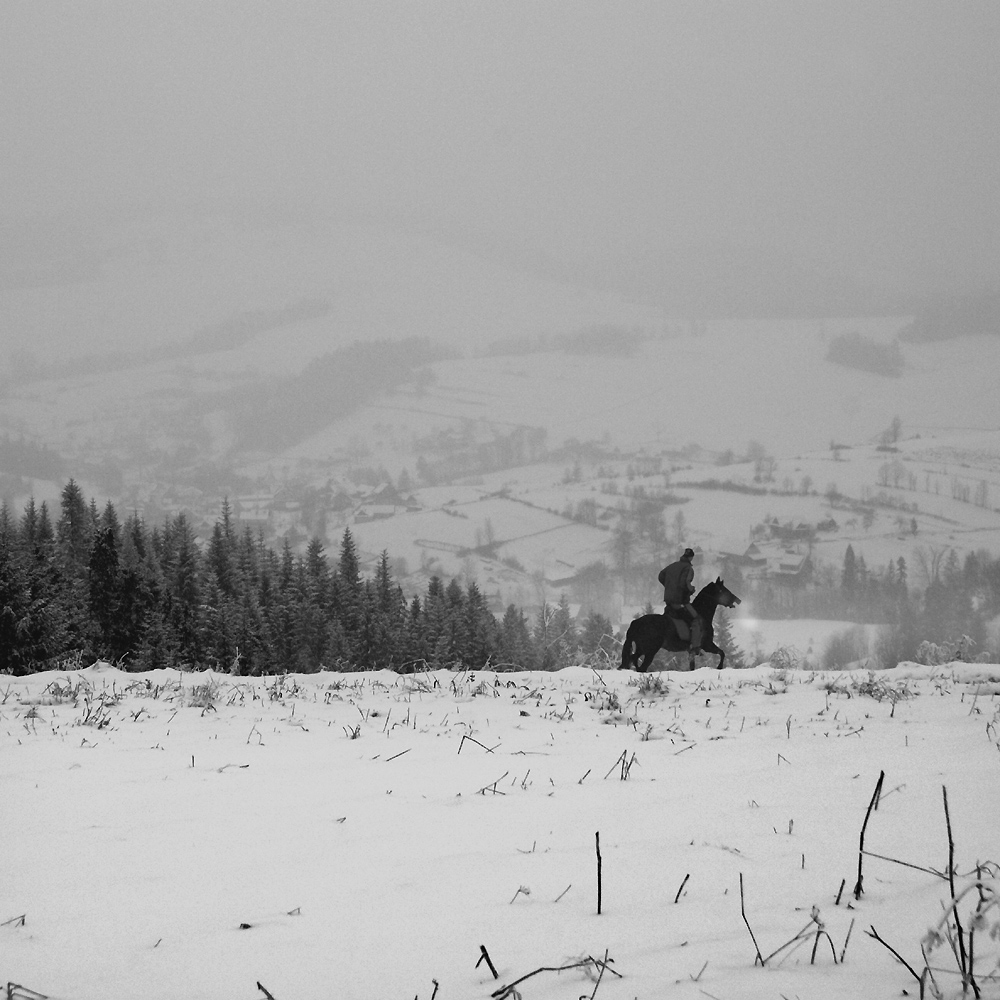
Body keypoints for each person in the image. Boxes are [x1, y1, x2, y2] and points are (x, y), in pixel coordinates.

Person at [657, 548, 701, 648]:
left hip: (668, 600)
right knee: (696, 619)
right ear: (691, 557)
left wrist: (669, 587)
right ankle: (694, 647)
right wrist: (691, 590)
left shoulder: (673, 565)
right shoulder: (688, 568)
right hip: (680, 601)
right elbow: (684, 583)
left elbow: (661, 576)